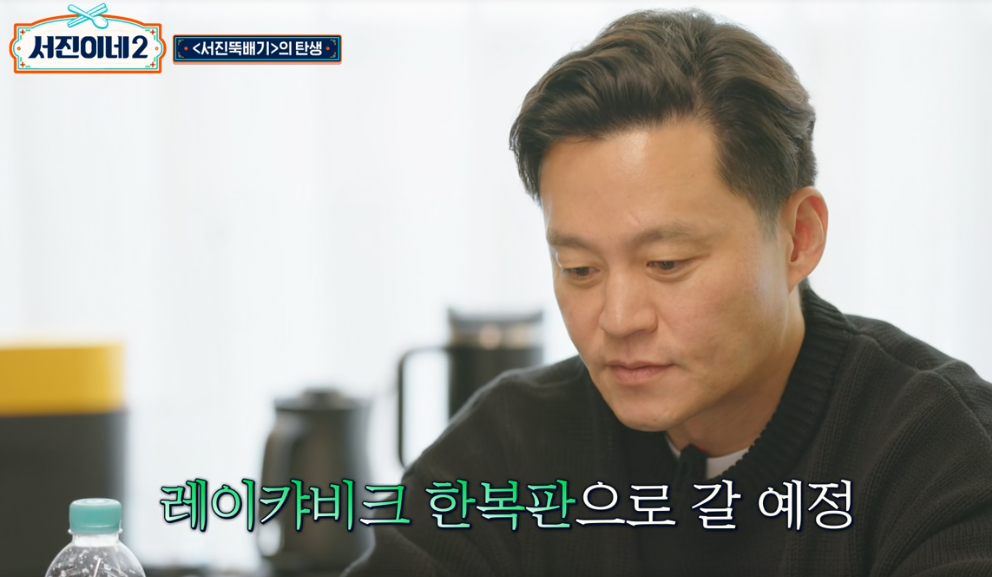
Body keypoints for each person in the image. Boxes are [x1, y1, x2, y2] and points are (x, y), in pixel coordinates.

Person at [343, 9, 992, 576]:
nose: (618, 319)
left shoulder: (940, 452)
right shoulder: (507, 449)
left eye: (667, 262)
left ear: (798, 237)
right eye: (579, 268)